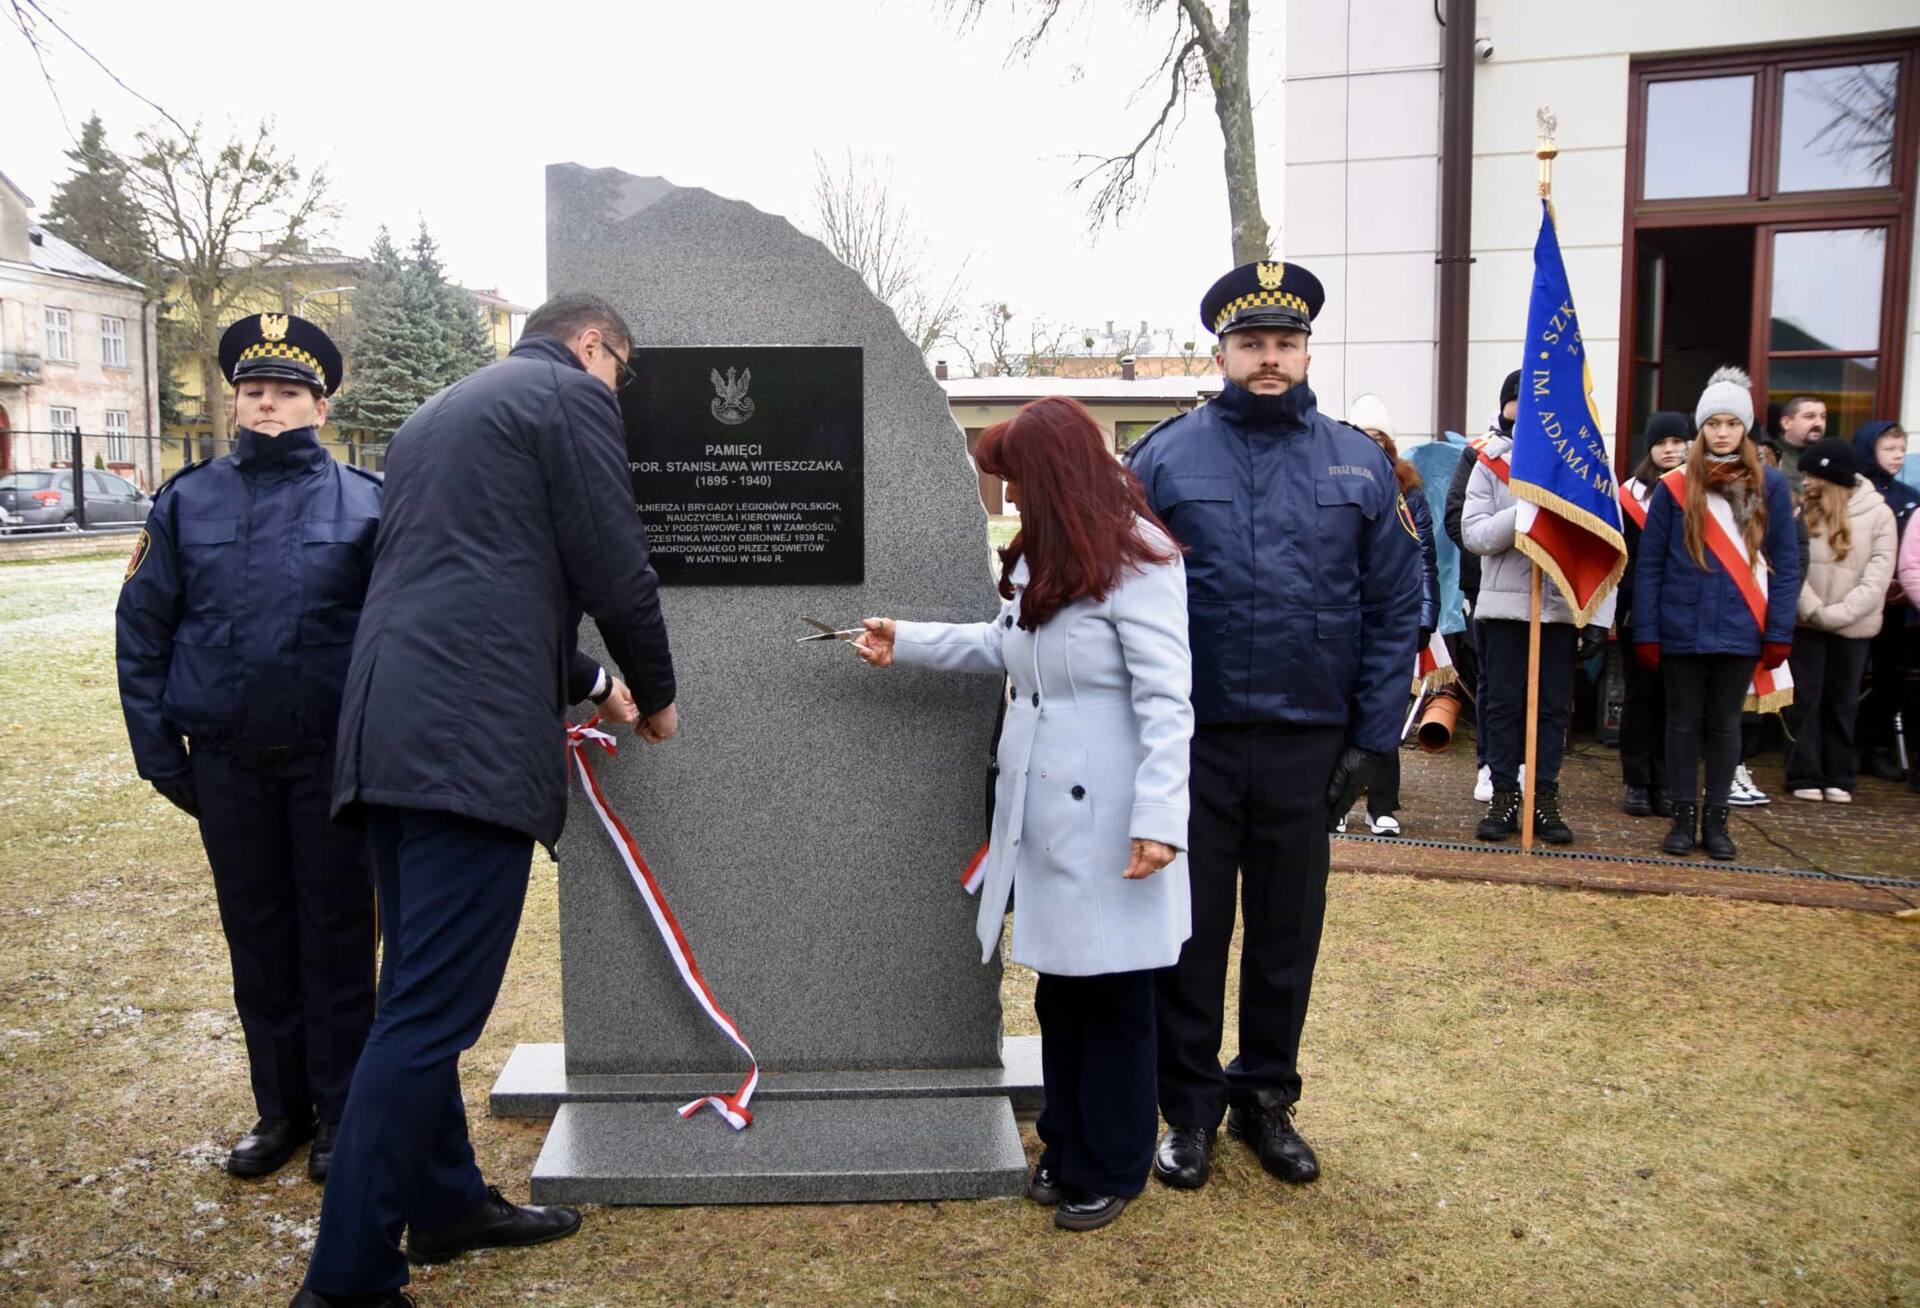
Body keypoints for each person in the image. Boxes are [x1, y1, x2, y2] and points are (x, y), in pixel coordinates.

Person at [295, 294, 678, 1308]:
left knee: (412, 995)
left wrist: (599, 685)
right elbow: (612, 562)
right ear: (593, 344)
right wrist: (662, 694)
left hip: (388, 729)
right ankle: (347, 1282)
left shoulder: (442, 413)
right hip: (465, 746)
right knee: (426, 1016)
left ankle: (448, 1203)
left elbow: (484, 581)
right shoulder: (567, 398)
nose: (621, 394)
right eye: (623, 373)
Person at [853, 396, 1193, 1233]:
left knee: (1113, 994)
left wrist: (1159, 817)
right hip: (1042, 809)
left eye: (1017, 480)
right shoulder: (1049, 555)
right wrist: (911, 641)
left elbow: (1168, 700)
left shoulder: (1142, 558)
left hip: (1113, 817)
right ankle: (1066, 1140)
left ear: (1056, 475)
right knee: (1061, 992)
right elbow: (1004, 646)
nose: (1009, 498)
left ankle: (1111, 1161)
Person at [1126, 260, 1420, 1191]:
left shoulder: (1357, 461)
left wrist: (1374, 741)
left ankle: (1266, 1100)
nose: (1269, 358)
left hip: (1308, 743)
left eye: (1284, 343)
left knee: (1287, 933)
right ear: (1221, 351)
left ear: (1305, 351)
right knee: (1191, 935)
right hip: (1195, 742)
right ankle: (1190, 1110)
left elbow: (1394, 607)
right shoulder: (1166, 459)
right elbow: (1123, 605)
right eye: (1251, 343)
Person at [117, 312, 378, 1184]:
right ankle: (283, 1111)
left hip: (331, 765)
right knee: (258, 942)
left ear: (321, 406)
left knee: (339, 941)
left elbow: (398, 637)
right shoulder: (186, 503)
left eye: (288, 393)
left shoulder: (368, 505)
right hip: (225, 763)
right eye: (254, 392)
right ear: (234, 404)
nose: (268, 406)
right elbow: (143, 634)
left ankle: (345, 1115)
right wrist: (162, 757)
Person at [1630, 369, 1798, 861]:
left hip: (1742, 626)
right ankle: (1683, 820)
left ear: (1745, 429)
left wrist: (1778, 631)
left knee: (1726, 727)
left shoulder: (1771, 486)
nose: (1722, 432)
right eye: (1713, 423)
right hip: (1680, 626)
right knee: (1681, 724)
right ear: (1700, 429)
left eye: (1732, 423)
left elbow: (1786, 566)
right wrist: (1648, 631)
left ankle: (1717, 822)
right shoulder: (1674, 488)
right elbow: (1651, 566)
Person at [1459, 400, 1614, 846]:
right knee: (1503, 706)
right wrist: (1524, 512)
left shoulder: (1582, 465)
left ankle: (1543, 794)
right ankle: (1504, 794)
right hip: (1507, 610)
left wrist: (1598, 619)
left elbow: (1603, 545)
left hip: (1560, 609)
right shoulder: (1490, 464)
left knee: (1550, 709)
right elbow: (1474, 535)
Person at [1344, 393, 1439, 836]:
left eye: (1377, 437)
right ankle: (1339, 801)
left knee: (1385, 711)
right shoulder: (1336, 483)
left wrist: (1425, 615)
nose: (1370, 444)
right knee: (1341, 711)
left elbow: (1423, 557)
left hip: (1392, 617)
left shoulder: (1409, 490)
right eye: (1363, 436)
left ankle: (1382, 805)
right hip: (1346, 615)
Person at [1785, 437, 1898, 803]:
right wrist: (1814, 611)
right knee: (1806, 698)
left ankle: (1839, 774)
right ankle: (1803, 773)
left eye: (1811, 475)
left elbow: (1878, 575)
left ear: (1828, 476)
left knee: (1843, 700)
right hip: (1807, 625)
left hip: (1854, 628)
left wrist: (1839, 615)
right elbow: (1793, 563)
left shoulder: (1880, 515)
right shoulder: (1802, 511)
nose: (1805, 481)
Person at [1444, 369, 1522, 803]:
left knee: (1535, 686)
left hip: (1541, 591)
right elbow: (1457, 518)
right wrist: (1493, 550)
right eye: (1518, 399)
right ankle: (1490, 764)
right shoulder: (1480, 454)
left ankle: (1527, 767)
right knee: (1493, 682)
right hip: (1487, 586)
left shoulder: (1553, 453)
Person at [1616, 411, 1691, 819]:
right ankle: (1637, 781)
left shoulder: (1698, 489)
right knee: (1640, 698)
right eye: (1662, 443)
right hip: (1640, 613)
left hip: (1683, 614)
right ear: (1650, 448)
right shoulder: (1630, 496)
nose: (1669, 449)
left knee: (1676, 701)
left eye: (1677, 442)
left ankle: (1666, 781)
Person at [1851, 421, 1918, 782]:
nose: (1898, 456)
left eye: (1901, 449)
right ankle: (1840, 748)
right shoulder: (1852, 493)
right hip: (1856, 599)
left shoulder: (1910, 495)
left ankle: (1876, 749)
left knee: (1890, 678)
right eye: (1889, 449)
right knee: (1848, 680)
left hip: (1896, 606)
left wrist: (1905, 586)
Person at [1776, 395, 1827, 496]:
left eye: (1823, 417)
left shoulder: (1830, 458)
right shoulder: (1770, 456)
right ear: (1786, 423)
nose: (1819, 423)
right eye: (1810, 416)